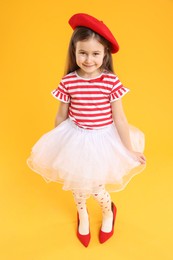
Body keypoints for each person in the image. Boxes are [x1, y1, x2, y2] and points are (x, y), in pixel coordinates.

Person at [27, 13, 146, 247]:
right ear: (74, 52)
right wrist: (57, 143)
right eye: (83, 53)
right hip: (75, 137)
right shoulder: (68, 81)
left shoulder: (110, 82)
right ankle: (82, 214)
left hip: (102, 139)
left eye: (95, 54)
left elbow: (120, 119)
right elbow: (61, 114)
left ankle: (108, 211)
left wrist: (129, 150)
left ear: (105, 54)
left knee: (97, 186)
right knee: (78, 185)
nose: (89, 59)